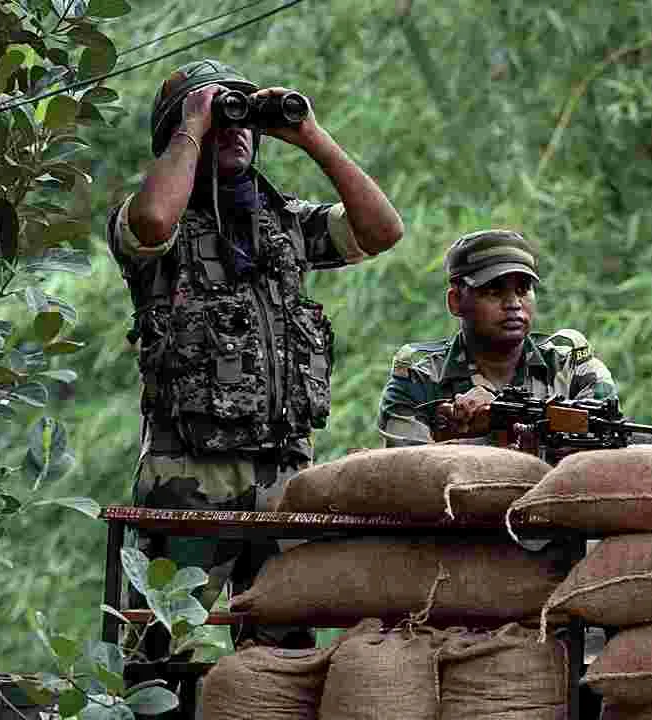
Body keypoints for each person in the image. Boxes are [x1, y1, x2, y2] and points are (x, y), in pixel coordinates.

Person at [108, 59, 403, 650]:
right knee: (157, 656)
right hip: (189, 477)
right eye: (221, 115)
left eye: (241, 116)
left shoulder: (282, 223)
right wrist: (196, 121)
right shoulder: (152, 220)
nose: (234, 127)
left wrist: (309, 135)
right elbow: (152, 221)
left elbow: (381, 230)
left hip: (285, 478)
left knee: (284, 666)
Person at [378, 229, 617, 447]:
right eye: (493, 290)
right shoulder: (418, 381)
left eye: (523, 290)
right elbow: (409, 472)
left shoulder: (576, 369)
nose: (513, 303)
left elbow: (602, 448)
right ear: (456, 301)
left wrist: (504, 418)